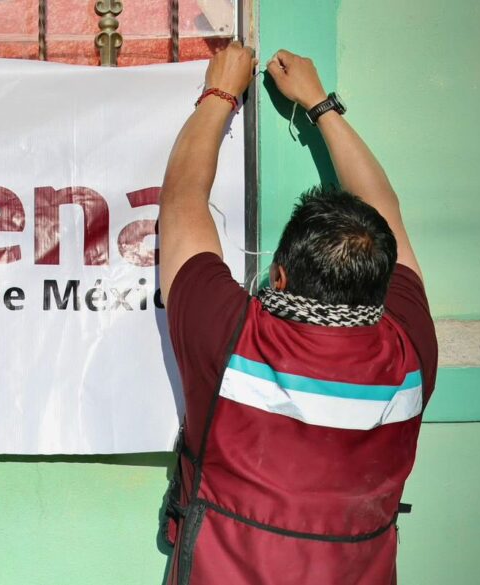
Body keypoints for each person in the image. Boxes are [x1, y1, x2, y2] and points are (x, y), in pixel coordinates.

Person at [157, 44, 437, 584]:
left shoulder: (231, 338)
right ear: (381, 278)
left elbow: (182, 201)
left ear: (279, 277)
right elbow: (386, 209)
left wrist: (219, 94)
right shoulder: (412, 349)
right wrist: (320, 104)